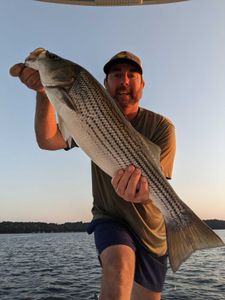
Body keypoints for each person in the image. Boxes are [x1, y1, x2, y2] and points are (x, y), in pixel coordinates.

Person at [10, 50, 176, 300]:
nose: (124, 81)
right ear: (105, 83)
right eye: (116, 75)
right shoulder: (86, 111)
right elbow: (48, 140)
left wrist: (142, 195)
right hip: (110, 216)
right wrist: (43, 93)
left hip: (151, 229)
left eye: (132, 75)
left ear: (142, 84)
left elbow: (156, 187)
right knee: (118, 267)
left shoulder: (162, 127)